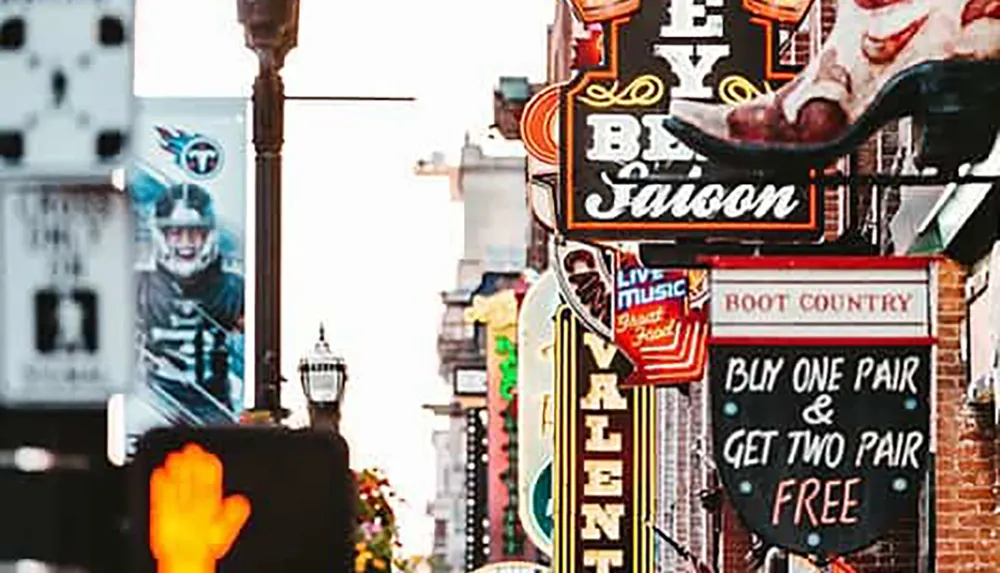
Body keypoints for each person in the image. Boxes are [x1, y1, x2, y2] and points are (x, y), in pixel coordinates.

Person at [137, 183, 244, 420]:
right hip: (154, 407)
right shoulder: (136, 288)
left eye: (195, 232)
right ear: (161, 235)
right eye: (175, 232)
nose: (186, 242)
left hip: (215, 411)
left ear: (209, 235)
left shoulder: (234, 290)